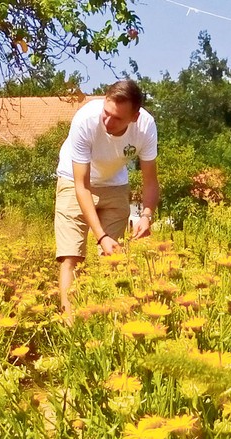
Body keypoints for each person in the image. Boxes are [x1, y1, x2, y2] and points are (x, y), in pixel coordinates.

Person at [54, 80, 159, 321]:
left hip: (114, 183)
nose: (108, 123)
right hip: (74, 181)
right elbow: (82, 186)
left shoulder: (146, 127)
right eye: (106, 113)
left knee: (111, 257)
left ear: (134, 117)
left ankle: (104, 320)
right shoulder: (85, 120)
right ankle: (70, 323)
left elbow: (151, 181)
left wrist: (146, 215)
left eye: (118, 119)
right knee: (72, 256)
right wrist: (100, 236)